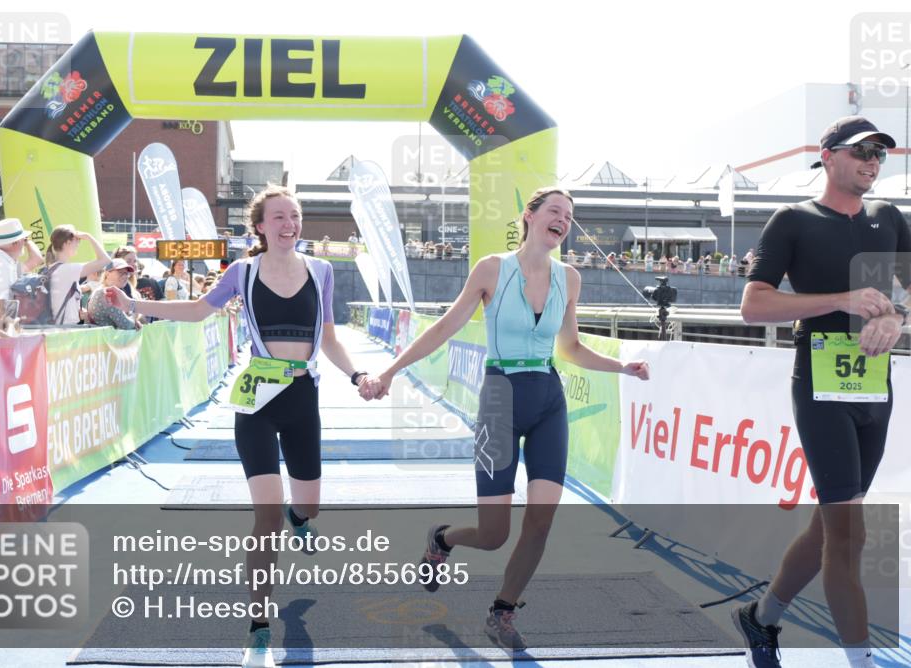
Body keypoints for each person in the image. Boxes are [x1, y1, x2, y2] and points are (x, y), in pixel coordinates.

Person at [362, 186, 650, 652]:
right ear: (529, 216)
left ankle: (502, 612)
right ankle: (443, 538)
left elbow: (571, 348)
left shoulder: (570, 278)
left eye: (569, 216)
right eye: (554, 211)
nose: (563, 220)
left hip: (548, 398)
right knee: (495, 535)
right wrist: (390, 371)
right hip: (500, 397)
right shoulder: (492, 269)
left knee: (541, 521)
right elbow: (444, 327)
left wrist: (622, 367)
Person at [106, 185, 374, 668]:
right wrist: (134, 306)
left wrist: (357, 375)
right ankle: (258, 628)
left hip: (303, 398)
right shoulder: (242, 272)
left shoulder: (323, 271)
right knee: (266, 518)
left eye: (295, 216)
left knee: (307, 507)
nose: (289, 224)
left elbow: (329, 337)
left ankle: (300, 519)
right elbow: (196, 310)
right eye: (279, 217)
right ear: (260, 226)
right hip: (256, 403)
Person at [738, 116, 911, 668]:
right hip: (818, 386)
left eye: (880, 154)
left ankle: (761, 616)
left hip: (873, 390)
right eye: (861, 150)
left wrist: (900, 317)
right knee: (848, 534)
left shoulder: (888, 217)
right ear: (828, 155)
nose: (872, 161)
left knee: (828, 523)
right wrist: (839, 300)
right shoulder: (792, 220)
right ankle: (861, 660)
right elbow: (753, 306)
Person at [0, 218, 44, 325]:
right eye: (23, 239)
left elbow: (37, 260)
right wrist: (10, 331)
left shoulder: (4, 262)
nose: (24, 241)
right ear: (15, 242)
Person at [45, 225, 112, 326]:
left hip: (60, 327)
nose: (78, 244)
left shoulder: (54, 268)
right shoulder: (66, 270)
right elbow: (105, 260)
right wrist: (89, 237)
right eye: (77, 240)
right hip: (66, 328)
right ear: (67, 242)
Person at [87, 259, 139, 330]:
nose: (125, 276)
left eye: (126, 273)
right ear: (107, 273)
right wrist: (134, 315)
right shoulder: (106, 293)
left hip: (103, 339)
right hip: (104, 340)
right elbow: (126, 325)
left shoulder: (103, 290)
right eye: (120, 272)